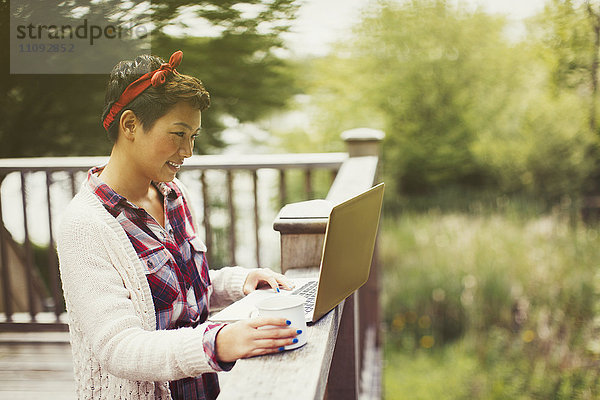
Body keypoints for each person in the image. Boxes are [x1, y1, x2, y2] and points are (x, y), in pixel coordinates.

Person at [57, 50, 299, 400]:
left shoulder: (174, 194)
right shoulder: (85, 226)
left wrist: (238, 282)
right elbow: (118, 347)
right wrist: (218, 342)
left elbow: (181, 294)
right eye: (178, 134)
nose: (187, 151)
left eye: (194, 137)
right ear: (129, 126)